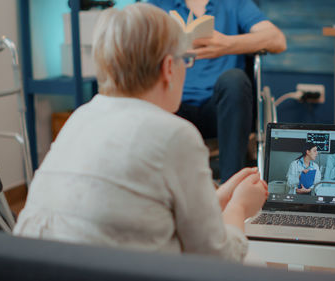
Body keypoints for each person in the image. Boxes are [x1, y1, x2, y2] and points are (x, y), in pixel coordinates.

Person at [13, 3, 268, 263]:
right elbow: (217, 258)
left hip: (33, 266)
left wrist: (220, 196)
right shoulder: (175, 134)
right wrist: (240, 207)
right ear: (169, 67)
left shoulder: (80, 117)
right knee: (256, 261)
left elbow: (134, 204)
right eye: (185, 60)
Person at [148, 0, 287, 182]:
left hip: (221, 109)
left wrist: (227, 44)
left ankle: (231, 186)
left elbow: (278, 40)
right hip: (172, 107)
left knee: (234, 79)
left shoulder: (233, 4)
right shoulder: (157, 5)